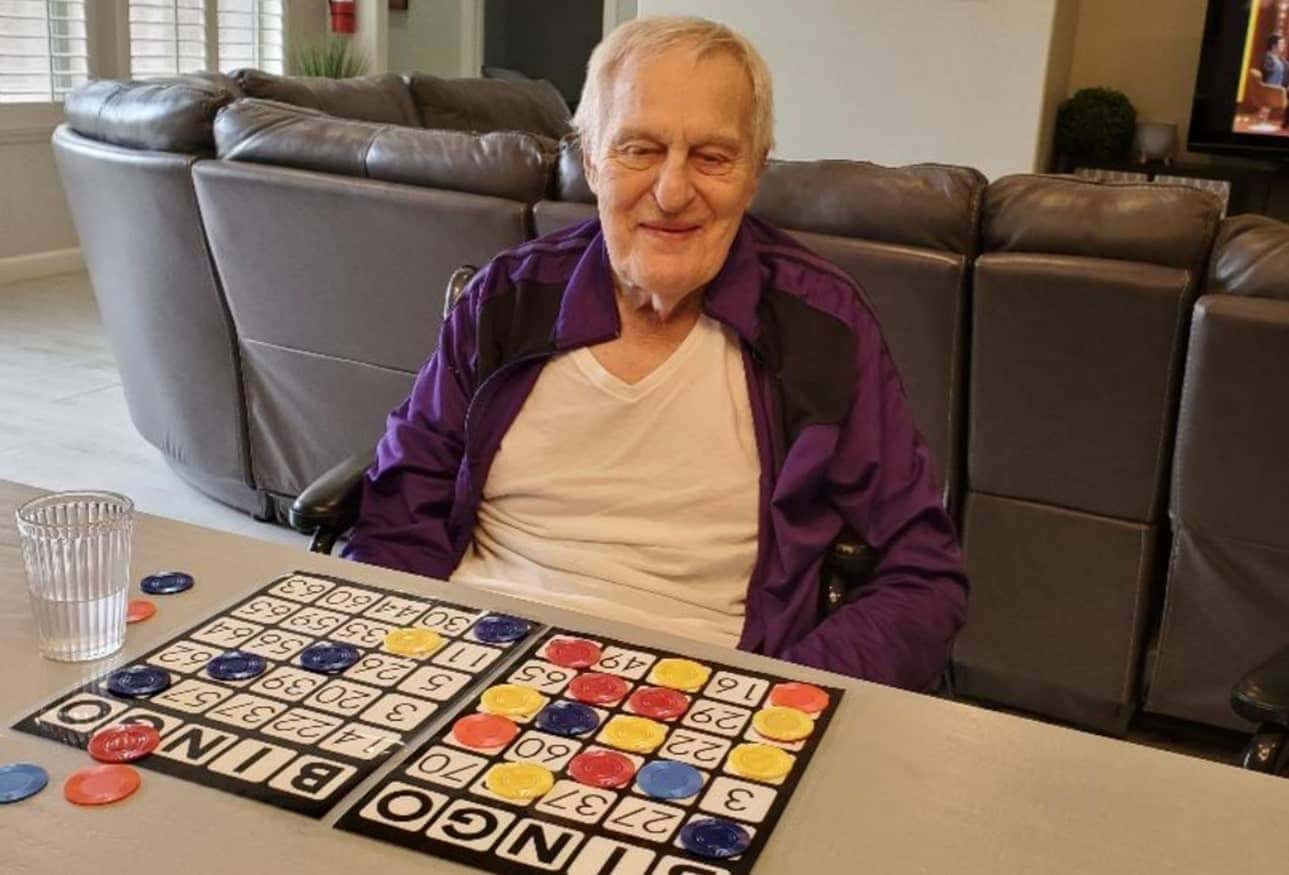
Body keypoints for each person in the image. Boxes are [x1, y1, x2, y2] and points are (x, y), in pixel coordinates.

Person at [343, 16, 967, 692]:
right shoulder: (506, 299)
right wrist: (401, 670)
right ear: (589, 160)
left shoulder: (822, 326)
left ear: (755, 170)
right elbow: (398, 509)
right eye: (638, 149)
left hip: (700, 700)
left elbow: (923, 572)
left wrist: (784, 700)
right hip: (470, 669)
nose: (671, 192)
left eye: (712, 156)